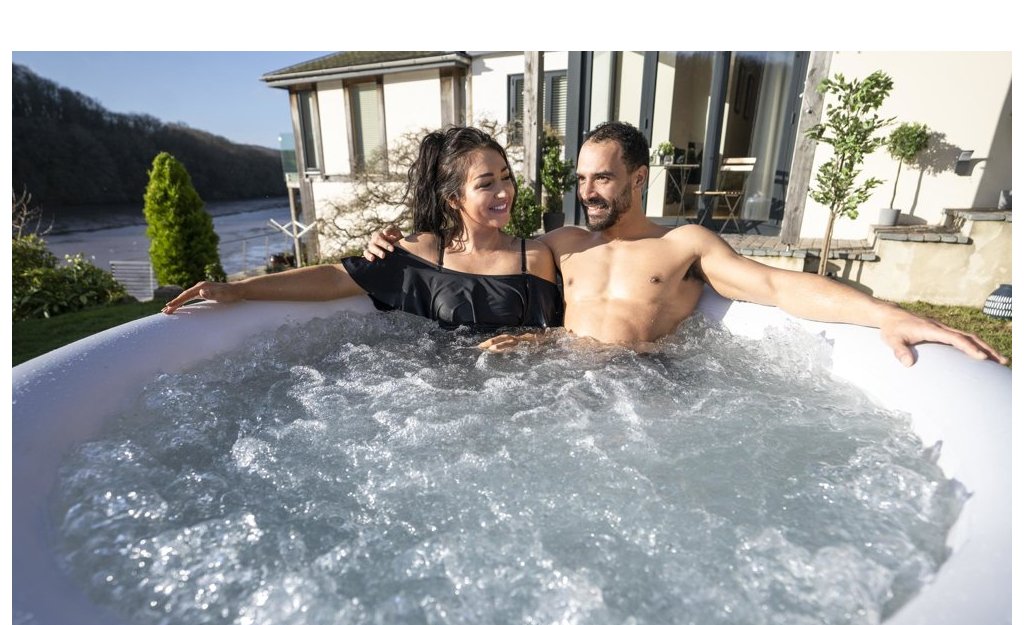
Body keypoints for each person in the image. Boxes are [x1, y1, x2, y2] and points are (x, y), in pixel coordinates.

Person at [366, 121, 1005, 367]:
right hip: (555, 387)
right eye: (581, 179)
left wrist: (885, 313)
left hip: (644, 386)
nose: (587, 192)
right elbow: (472, 253)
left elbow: (777, 286)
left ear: (638, 179)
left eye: (603, 178)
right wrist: (390, 241)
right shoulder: (560, 244)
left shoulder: (685, 245)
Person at [162, 126, 562, 332]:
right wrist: (239, 289)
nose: (504, 191)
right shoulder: (424, 252)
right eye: (486, 183)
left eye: (506, 177)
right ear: (454, 199)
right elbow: (336, 279)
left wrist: (526, 342)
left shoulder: (532, 257)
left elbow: (554, 336)